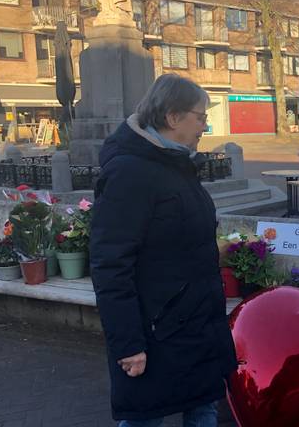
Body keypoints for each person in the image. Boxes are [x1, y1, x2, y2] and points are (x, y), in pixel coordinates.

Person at [90, 74, 238, 426]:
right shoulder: (130, 173)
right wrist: (128, 344)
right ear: (173, 117)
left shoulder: (177, 164)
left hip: (196, 327)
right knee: (145, 416)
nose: (205, 125)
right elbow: (110, 264)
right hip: (156, 332)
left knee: (203, 407)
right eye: (200, 116)